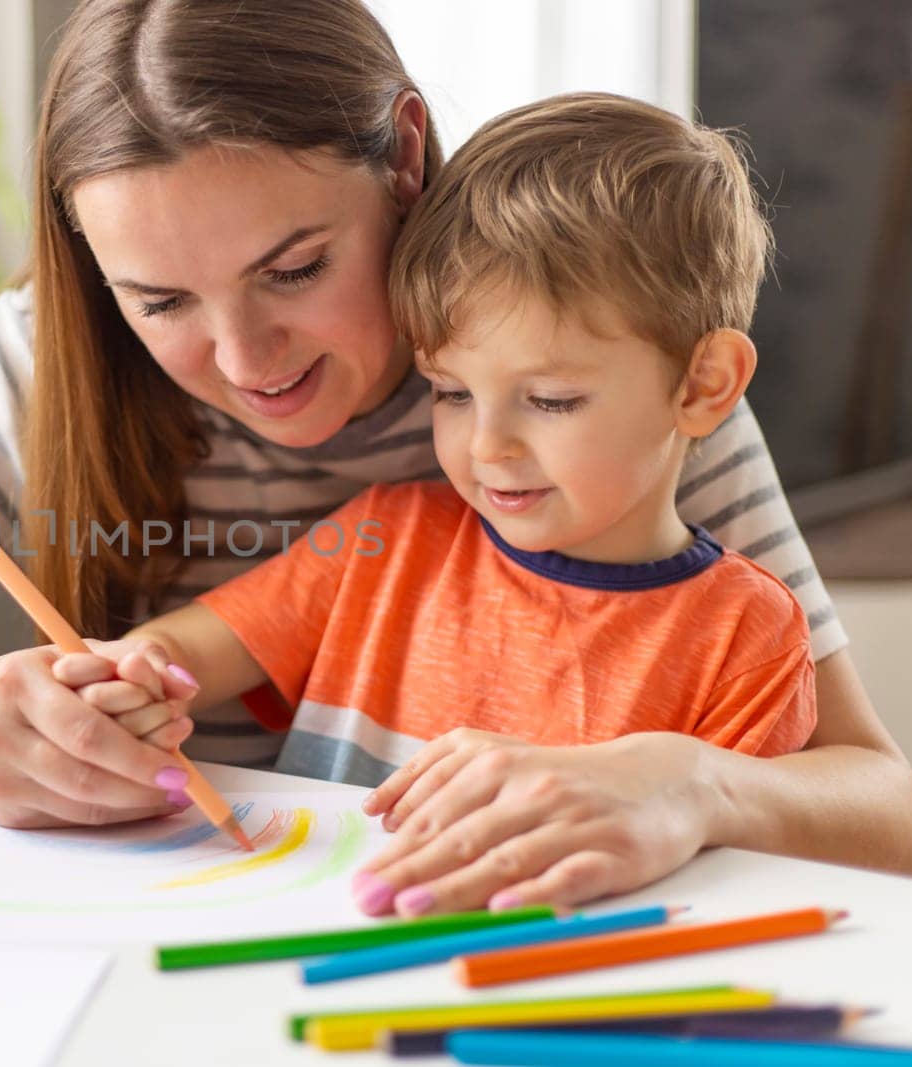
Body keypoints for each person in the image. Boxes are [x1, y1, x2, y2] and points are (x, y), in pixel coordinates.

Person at [0, 0, 912, 909]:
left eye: (294, 267)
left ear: (403, 157)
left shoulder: (592, 361)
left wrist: (691, 781)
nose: (246, 359)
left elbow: (878, 801)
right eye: (159, 300)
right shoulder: (41, 364)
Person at [53, 93, 822, 916]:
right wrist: (137, 678)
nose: (488, 446)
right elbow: (180, 652)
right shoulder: (384, 537)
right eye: (450, 391)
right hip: (305, 935)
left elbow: (769, 870)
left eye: (553, 400)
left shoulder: (748, 633)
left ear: (704, 386)